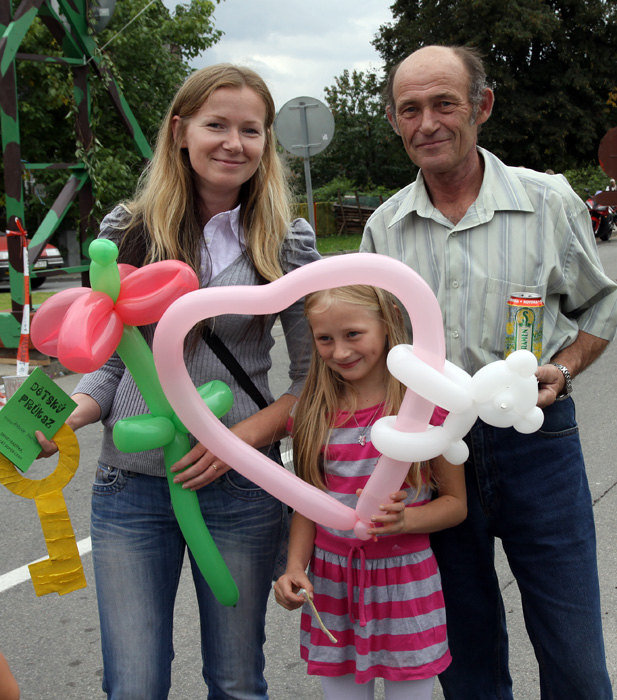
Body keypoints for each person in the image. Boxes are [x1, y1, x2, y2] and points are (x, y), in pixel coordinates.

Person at [36, 64, 320, 700]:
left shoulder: (288, 240)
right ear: (179, 131)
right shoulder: (127, 229)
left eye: (251, 129)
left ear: (267, 141)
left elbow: (312, 382)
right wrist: (69, 411)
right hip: (130, 489)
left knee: (236, 681)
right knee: (133, 685)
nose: (233, 143)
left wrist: (235, 443)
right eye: (216, 124)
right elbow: (111, 360)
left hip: (241, 487)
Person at [361, 45, 617, 700]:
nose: (427, 124)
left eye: (444, 103)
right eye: (409, 109)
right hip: (433, 452)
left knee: (575, 654)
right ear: (392, 119)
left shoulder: (546, 200)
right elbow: (367, 346)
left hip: (537, 443)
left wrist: (562, 370)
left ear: (482, 106)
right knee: (464, 656)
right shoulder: (384, 228)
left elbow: (599, 303)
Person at [273, 285, 467, 700]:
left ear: (387, 322)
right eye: (325, 338)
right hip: (332, 584)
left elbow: (456, 504)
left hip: (406, 583)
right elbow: (308, 504)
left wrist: (407, 518)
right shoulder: (313, 412)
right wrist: (294, 566)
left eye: (353, 334)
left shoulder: (427, 408)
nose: (340, 351)